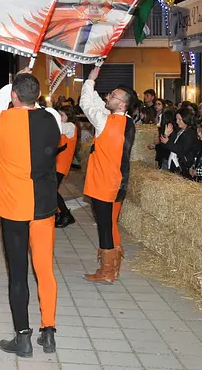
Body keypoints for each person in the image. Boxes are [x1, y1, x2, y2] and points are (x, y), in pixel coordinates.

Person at [0, 71, 61, 357]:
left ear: (14, 96)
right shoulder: (52, 118)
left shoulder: (0, 119)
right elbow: (41, 108)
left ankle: (23, 337)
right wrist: (28, 90)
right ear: (39, 97)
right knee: (45, 270)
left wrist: (13, 82)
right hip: (43, 205)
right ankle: (49, 331)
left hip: (14, 208)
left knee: (18, 275)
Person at [80, 66, 137, 284]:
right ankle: (113, 267)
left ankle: (106, 272)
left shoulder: (105, 122)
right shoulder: (125, 121)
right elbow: (97, 106)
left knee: (104, 227)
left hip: (104, 182)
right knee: (111, 225)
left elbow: (86, 104)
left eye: (113, 95)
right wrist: (92, 85)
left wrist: (89, 81)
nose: (109, 96)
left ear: (121, 104)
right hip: (118, 183)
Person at [55, 107, 78, 228]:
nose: (59, 118)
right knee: (52, 191)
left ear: (68, 116)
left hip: (61, 165)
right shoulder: (66, 125)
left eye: (61, 115)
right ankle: (59, 214)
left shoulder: (70, 126)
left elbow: (58, 128)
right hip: (57, 164)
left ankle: (66, 215)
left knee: (52, 191)